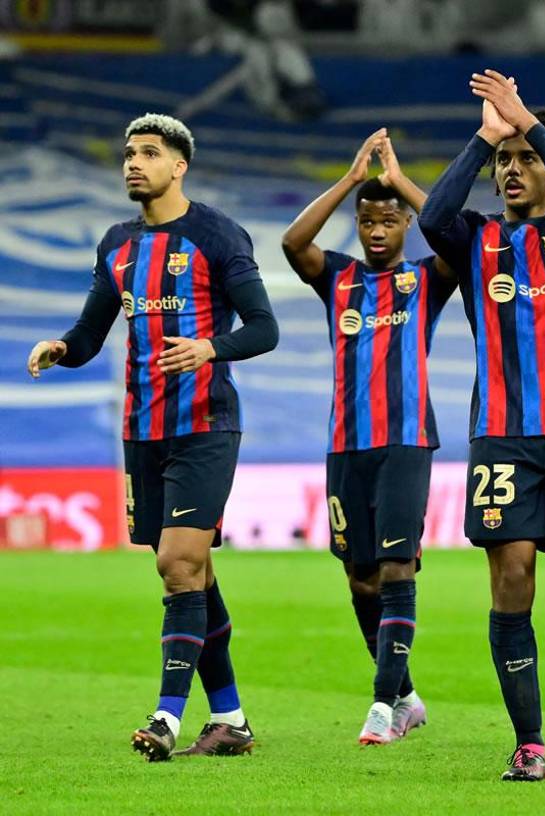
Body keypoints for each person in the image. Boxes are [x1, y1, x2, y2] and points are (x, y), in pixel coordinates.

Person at [26, 113, 279, 760]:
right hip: (142, 432)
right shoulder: (116, 244)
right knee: (192, 573)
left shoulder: (217, 235)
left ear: (179, 165)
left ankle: (167, 717)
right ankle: (232, 720)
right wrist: (61, 346)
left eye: (148, 153)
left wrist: (207, 348)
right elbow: (90, 333)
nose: (132, 163)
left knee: (176, 565)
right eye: (128, 153)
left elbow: (263, 328)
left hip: (205, 425)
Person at [418, 71, 545, 781]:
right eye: (505, 163)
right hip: (501, 434)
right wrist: (485, 136)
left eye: (525, 160)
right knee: (512, 581)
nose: (511, 171)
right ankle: (529, 739)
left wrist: (527, 122)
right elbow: (432, 216)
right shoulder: (474, 241)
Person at [281, 129, 455, 745]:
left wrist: (401, 180)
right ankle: (405, 694)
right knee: (359, 577)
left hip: (407, 442)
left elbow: (457, 231)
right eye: (367, 220)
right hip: (345, 444)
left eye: (390, 219)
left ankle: (382, 704)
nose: (377, 230)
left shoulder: (427, 280)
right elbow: (292, 241)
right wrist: (352, 180)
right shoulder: (338, 277)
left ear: (407, 222)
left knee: (395, 567)